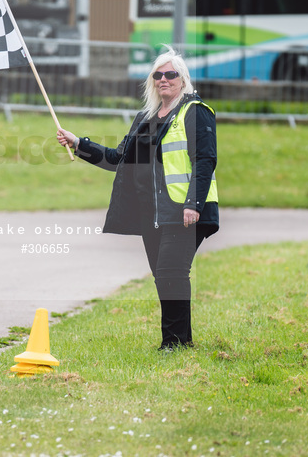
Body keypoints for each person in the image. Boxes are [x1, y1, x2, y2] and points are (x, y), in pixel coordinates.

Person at [56, 48, 219, 351]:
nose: (163, 80)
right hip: (151, 212)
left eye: (170, 74)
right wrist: (79, 144)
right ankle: (183, 341)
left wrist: (192, 205)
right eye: (158, 75)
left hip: (182, 211)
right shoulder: (144, 118)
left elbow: (205, 160)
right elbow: (119, 159)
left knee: (172, 272)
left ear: (183, 80)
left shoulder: (195, 111)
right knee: (164, 277)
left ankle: (171, 343)